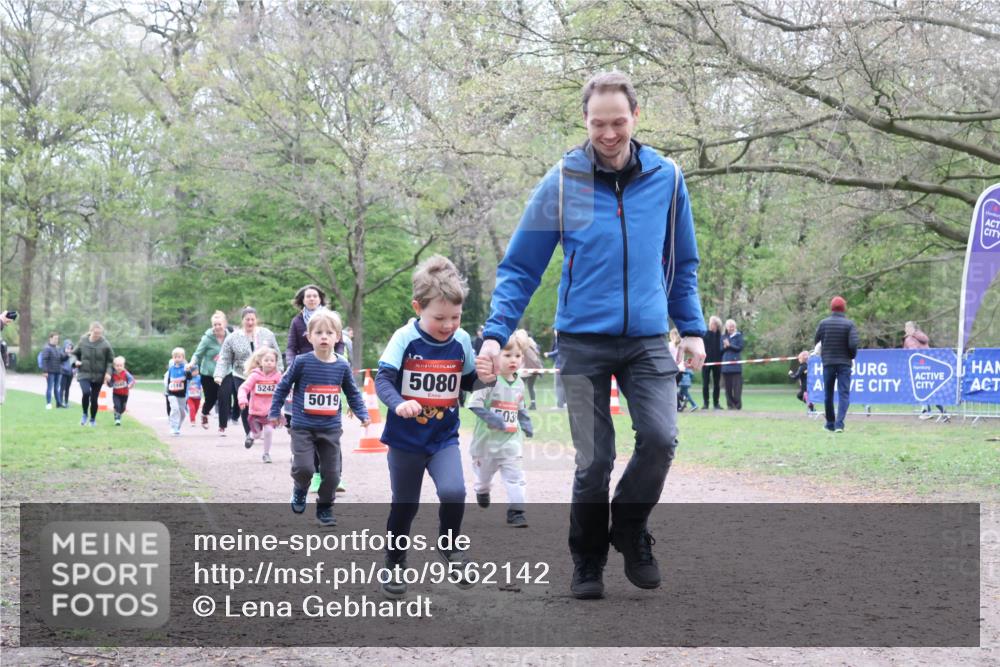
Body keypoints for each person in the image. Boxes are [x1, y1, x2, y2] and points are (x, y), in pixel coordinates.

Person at [476, 72, 707, 600]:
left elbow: (682, 262)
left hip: (648, 338)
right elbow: (521, 268)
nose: (608, 133)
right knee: (594, 459)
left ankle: (628, 527)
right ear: (585, 121)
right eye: (598, 123)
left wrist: (691, 327)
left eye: (618, 122)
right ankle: (587, 559)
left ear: (636, 117)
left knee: (660, 438)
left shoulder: (666, 178)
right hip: (582, 340)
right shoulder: (565, 182)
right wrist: (495, 334)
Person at [375, 255, 482, 599]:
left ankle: (450, 547)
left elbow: (469, 383)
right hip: (406, 440)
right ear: (418, 307)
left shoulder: (462, 340)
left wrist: (487, 379)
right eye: (439, 318)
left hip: (442, 438)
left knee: (454, 492)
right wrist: (398, 403)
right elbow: (384, 380)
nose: (449, 324)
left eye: (455, 317)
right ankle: (394, 562)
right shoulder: (405, 338)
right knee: (404, 506)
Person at [269, 310, 368, 527]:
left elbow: (352, 392)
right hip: (303, 427)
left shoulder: (342, 365)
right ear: (309, 337)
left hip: (330, 429)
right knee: (304, 469)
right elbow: (283, 386)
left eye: (329, 333)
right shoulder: (302, 362)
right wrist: (275, 411)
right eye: (319, 332)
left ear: (338, 337)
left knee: (332, 475)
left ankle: (325, 508)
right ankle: (300, 488)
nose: (324, 337)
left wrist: (363, 414)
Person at [468, 331, 534, 527]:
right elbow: (474, 404)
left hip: (510, 443)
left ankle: (516, 512)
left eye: (517, 356)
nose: (513, 360)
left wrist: (526, 423)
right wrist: (494, 419)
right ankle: (482, 490)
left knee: (516, 479)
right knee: (483, 479)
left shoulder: (520, 382)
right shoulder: (487, 381)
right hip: (485, 445)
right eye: (507, 355)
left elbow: (520, 408)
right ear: (495, 357)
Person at [285, 284, 348, 491]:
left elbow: (339, 343)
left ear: (320, 299)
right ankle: (313, 474)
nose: (311, 299)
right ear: (302, 300)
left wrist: (335, 358)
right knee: (308, 425)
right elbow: (291, 348)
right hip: (305, 373)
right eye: (307, 296)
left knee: (331, 427)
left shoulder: (331, 319)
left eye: (314, 296)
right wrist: (294, 365)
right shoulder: (297, 322)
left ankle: (335, 475)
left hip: (328, 372)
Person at [215, 306, 283, 439]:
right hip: (242, 375)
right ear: (242, 321)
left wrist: (279, 370)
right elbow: (224, 357)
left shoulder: (267, 334)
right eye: (247, 319)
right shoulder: (233, 338)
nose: (250, 322)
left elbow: (277, 354)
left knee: (262, 403)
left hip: (263, 376)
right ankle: (249, 433)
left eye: (252, 319)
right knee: (244, 404)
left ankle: (263, 426)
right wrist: (219, 374)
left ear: (256, 320)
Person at [814, 296, 860, 433]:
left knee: (828, 394)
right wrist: (851, 356)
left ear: (831, 308)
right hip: (844, 363)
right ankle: (839, 424)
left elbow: (817, 341)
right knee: (843, 394)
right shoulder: (849, 324)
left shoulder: (823, 323)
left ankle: (830, 423)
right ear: (844, 308)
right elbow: (853, 344)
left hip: (828, 362)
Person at [190, 311, 233, 432]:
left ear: (224, 324)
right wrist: (191, 363)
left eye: (219, 324)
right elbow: (197, 355)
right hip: (208, 374)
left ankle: (222, 426)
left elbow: (237, 353)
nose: (217, 327)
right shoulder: (207, 339)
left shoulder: (231, 338)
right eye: (215, 324)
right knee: (211, 399)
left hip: (226, 373)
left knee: (224, 397)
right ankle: (204, 413)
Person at [239, 347, 283, 462]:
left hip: (270, 412)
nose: (269, 363)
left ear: (275, 362)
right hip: (255, 412)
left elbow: (284, 388)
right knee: (258, 434)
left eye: (272, 360)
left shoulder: (277, 376)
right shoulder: (255, 376)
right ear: (260, 361)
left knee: (268, 431)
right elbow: (243, 388)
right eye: (266, 360)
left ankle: (266, 454)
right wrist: (243, 399)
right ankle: (252, 436)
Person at [903, 321, 949, 421]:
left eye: (908, 327)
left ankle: (933, 411)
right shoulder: (908, 339)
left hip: (925, 365)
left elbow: (921, 343)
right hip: (918, 366)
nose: (906, 329)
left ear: (913, 328)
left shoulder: (918, 335)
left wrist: (913, 334)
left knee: (928, 389)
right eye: (906, 327)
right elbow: (906, 352)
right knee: (924, 389)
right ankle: (931, 411)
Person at [72, 322, 114, 426]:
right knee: (86, 393)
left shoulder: (105, 344)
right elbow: (74, 354)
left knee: (94, 399)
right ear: (90, 332)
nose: (98, 336)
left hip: (98, 375)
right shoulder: (83, 341)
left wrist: (108, 373)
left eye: (100, 333)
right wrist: (75, 361)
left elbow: (110, 360)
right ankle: (85, 414)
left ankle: (92, 419)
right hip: (84, 373)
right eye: (96, 333)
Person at [165, 347, 195, 436]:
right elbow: (168, 380)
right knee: (174, 409)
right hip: (171, 393)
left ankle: (177, 427)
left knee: (182, 413)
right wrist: (166, 390)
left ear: (183, 358)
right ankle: (173, 427)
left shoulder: (185, 368)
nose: (177, 358)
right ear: (172, 358)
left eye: (179, 357)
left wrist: (188, 371)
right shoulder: (171, 368)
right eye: (175, 357)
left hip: (182, 394)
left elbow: (189, 378)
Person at [40, 332, 68, 409]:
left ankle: (58, 403)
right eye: (55, 338)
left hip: (58, 371)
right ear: (50, 338)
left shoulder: (58, 348)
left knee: (57, 388)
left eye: (57, 339)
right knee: (50, 387)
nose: (56, 340)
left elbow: (62, 358)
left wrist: (67, 354)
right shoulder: (47, 348)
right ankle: (48, 403)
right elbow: (44, 360)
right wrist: (45, 371)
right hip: (50, 372)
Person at [721, 319, 744, 410]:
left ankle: (737, 405)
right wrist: (724, 347)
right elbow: (721, 350)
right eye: (729, 326)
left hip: (736, 367)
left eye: (732, 326)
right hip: (726, 367)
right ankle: (730, 405)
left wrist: (729, 345)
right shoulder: (723, 337)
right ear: (726, 327)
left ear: (735, 327)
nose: (731, 328)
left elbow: (739, 348)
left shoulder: (739, 336)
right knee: (728, 387)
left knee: (737, 388)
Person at [702, 315, 723, 410]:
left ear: (717, 325)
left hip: (717, 363)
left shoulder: (720, 336)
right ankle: (706, 403)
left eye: (713, 324)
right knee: (705, 383)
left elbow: (722, 349)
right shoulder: (705, 334)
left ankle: (716, 403)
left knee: (716, 384)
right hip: (706, 362)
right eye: (710, 323)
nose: (711, 325)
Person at [108, 355, 135, 426]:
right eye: (117, 366)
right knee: (117, 406)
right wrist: (108, 382)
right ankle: (117, 419)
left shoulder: (126, 373)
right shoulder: (113, 374)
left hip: (125, 394)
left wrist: (129, 384)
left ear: (123, 366)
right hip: (116, 393)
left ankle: (119, 413)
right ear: (114, 366)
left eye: (121, 365)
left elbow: (131, 379)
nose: (119, 367)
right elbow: (110, 384)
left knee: (122, 408)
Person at [520, 330, 543, 410]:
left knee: (520, 386)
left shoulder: (523, 343)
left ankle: (522, 404)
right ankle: (533, 404)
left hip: (526, 368)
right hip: (535, 367)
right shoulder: (533, 344)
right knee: (531, 386)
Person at [544, 331, 566, 409]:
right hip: (563, 364)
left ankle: (560, 405)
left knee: (558, 385)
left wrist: (549, 354)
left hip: (559, 365)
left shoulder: (560, 340)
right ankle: (564, 403)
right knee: (562, 385)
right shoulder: (565, 339)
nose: (555, 331)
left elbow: (559, 350)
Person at [59, 339, 75, 407]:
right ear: (64, 346)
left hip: (70, 373)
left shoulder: (72, 355)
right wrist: (67, 354)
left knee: (67, 388)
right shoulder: (61, 353)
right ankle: (60, 402)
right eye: (68, 347)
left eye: (70, 348)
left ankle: (66, 402)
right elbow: (62, 359)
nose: (69, 349)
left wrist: (75, 369)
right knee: (62, 388)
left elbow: (74, 364)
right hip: (63, 372)